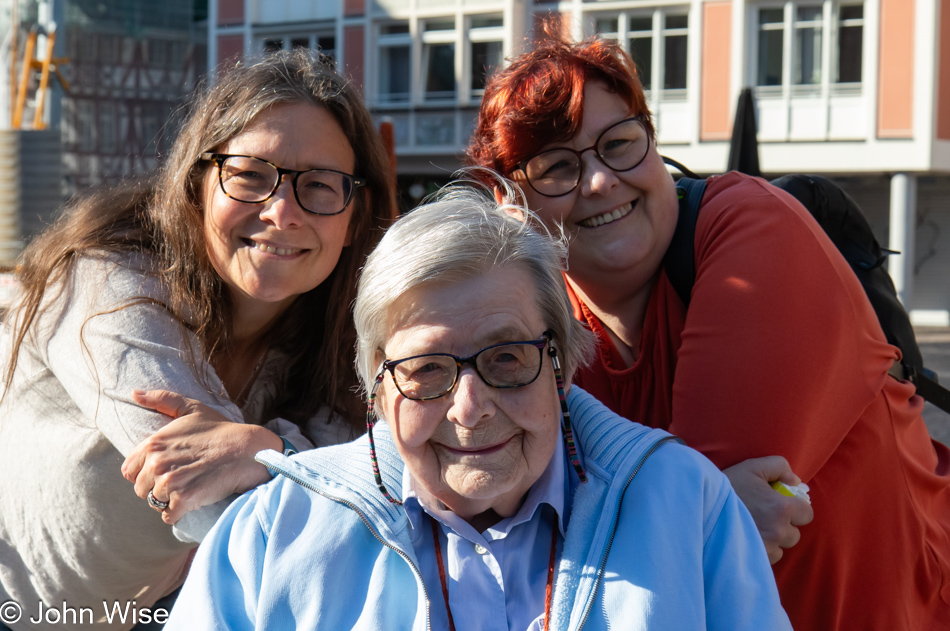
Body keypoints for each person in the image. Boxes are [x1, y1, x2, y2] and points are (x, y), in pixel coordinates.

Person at [466, 27, 950, 631]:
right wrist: (686, 512)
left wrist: (660, 515)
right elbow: (494, 518)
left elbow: (675, 526)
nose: (599, 181)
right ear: (511, 203)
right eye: (556, 167)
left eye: (620, 143)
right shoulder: (538, 314)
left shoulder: (752, 227)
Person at [164, 187, 791, 631]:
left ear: (562, 363)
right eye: (426, 370)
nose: (469, 408)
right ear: (376, 390)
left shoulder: (688, 505)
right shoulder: (272, 534)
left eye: (507, 358)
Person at [0, 49, 394, 631]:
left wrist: (268, 453)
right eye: (250, 175)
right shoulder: (109, 282)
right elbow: (209, 505)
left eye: (320, 186)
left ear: (354, 218)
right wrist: (289, 457)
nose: (282, 210)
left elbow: (381, 484)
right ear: (196, 185)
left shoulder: (329, 342)